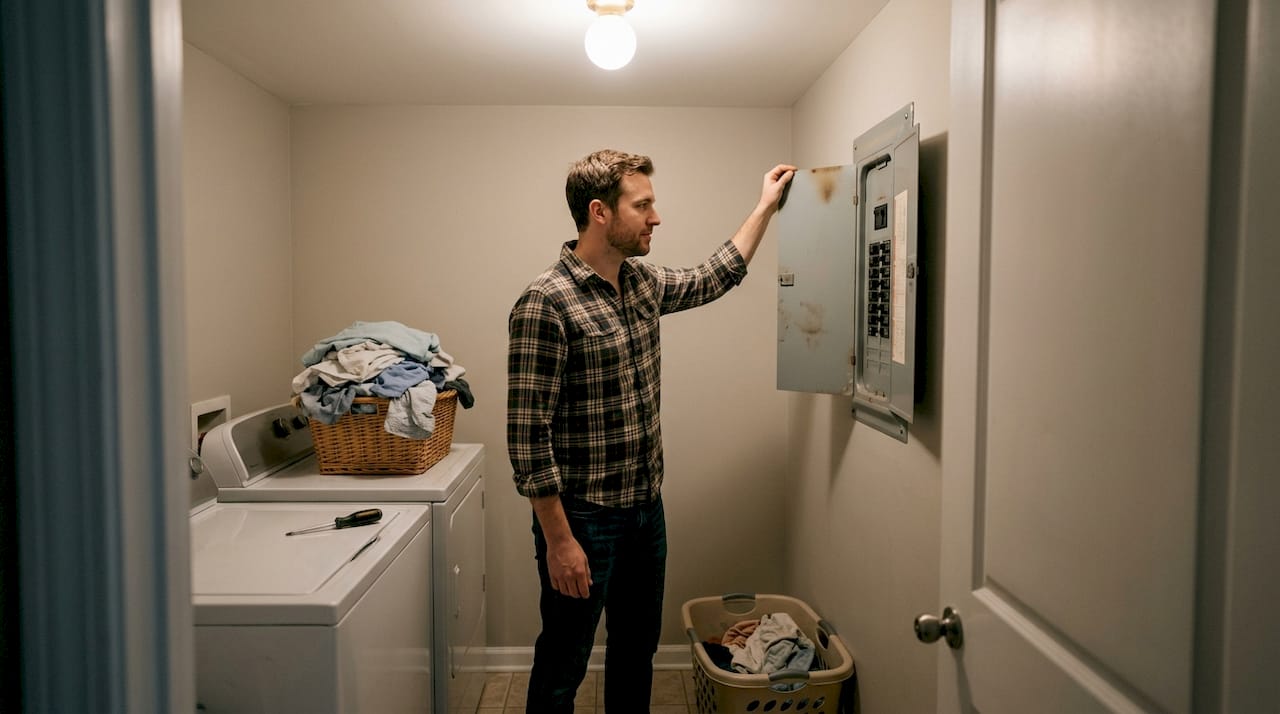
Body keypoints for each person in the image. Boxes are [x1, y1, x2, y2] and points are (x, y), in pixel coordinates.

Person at [507, 149, 795, 712]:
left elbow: (716, 275)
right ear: (600, 213)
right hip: (582, 519)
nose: (655, 218)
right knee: (564, 661)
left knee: (635, 653)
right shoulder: (546, 302)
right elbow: (527, 439)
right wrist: (560, 542)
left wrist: (765, 205)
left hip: (645, 510)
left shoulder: (643, 284)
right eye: (643, 206)